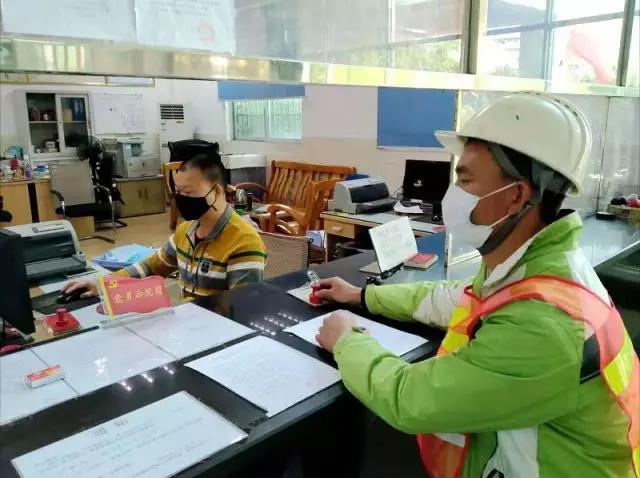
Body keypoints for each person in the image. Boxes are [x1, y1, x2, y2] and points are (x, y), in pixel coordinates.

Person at [315, 93, 639, 477]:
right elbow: (457, 298)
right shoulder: (537, 268)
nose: (453, 193)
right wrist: (363, 295)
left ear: (515, 196)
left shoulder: (543, 324)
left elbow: (412, 400)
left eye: (465, 179)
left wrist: (347, 340)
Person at [63, 148, 266, 299]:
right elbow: (151, 267)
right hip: (188, 327)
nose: (182, 199)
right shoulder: (185, 231)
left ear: (217, 192)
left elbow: (242, 308)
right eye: (179, 192)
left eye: (189, 192)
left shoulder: (243, 241)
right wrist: (103, 284)